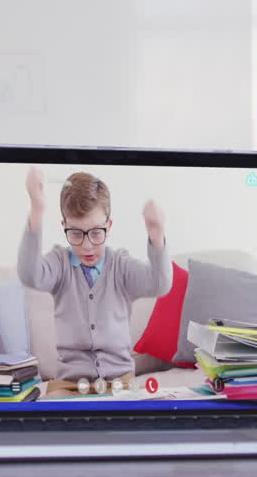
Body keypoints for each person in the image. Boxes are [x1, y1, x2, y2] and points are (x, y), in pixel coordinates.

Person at [17, 168, 172, 397]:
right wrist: (37, 208)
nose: (87, 246)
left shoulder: (121, 265)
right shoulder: (60, 263)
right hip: (70, 384)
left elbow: (159, 284)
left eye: (96, 233)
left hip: (120, 383)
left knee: (144, 413)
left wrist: (157, 236)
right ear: (64, 225)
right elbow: (29, 274)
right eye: (76, 234)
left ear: (109, 226)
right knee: (48, 415)